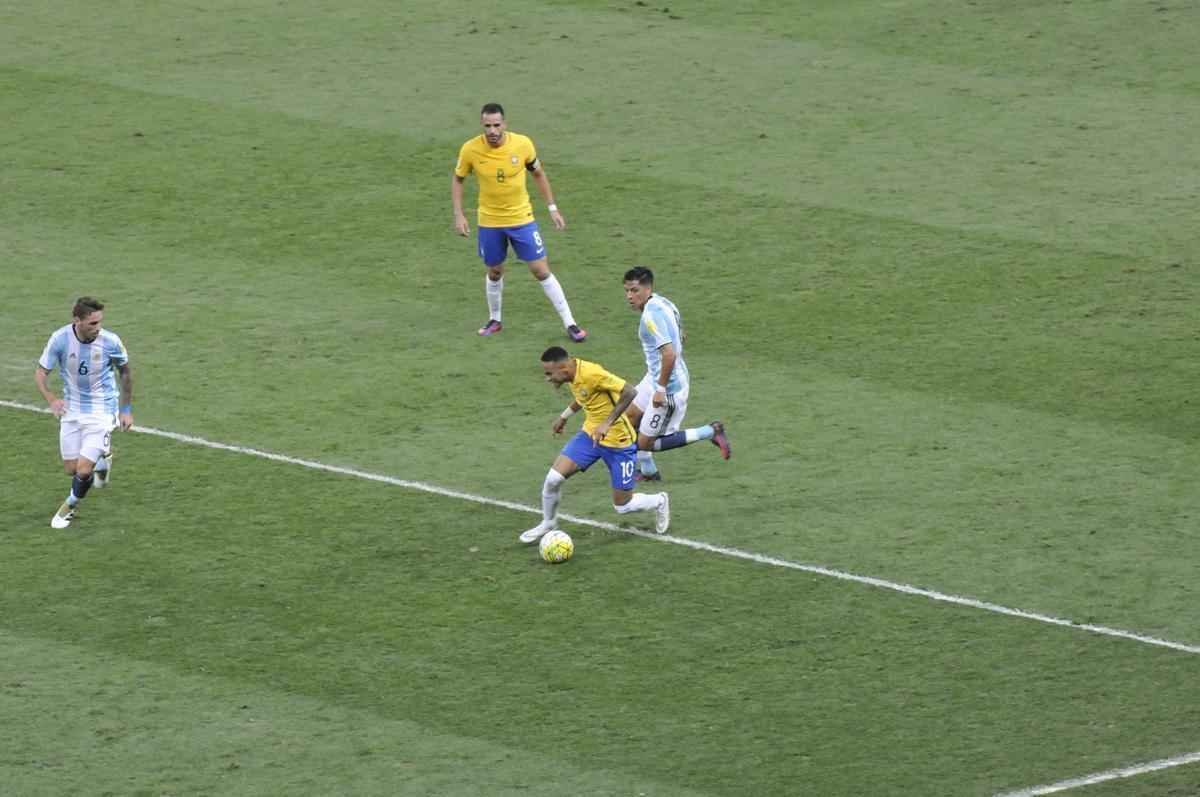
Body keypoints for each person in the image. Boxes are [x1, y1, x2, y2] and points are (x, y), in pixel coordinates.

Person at [452, 102, 587, 342]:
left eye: (496, 125)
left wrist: (552, 208)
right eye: (487, 126)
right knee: (494, 271)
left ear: (505, 124)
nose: (492, 131)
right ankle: (495, 319)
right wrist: (459, 214)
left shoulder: (523, 144)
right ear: (482, 125)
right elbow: (458, 179)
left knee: (540, 270)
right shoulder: (470, 149)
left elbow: (538, 173)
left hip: (521, 219)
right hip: (490, 222)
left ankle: (571, 323)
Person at [519, 346, 669, 544]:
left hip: (618, 442)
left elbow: (630, 391)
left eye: (549, 373)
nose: (547, 378)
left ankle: (659, 501)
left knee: (623, 506)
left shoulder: (592, 373)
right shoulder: (573, 374)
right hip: (590, 436)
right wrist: (564, 417)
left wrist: (607, 423)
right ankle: (549, 522)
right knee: (553, 479)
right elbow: (584, 395)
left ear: (563, 369)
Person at [622, 266, 730, 481]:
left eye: (634, 290)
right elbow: (682, 334)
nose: (629, 296)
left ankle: (711, 431)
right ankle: (649, 472)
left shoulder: (649, 317)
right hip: (655, 377)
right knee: (629, 417)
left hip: (669, 387)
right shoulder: (665, 302)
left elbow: (669, 354)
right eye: (627, 291)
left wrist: (661, 389)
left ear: (647, 288)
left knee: (645, 443)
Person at [34, 297, 133, 529]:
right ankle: (103, 458)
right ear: (77, 320)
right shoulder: (60, 339)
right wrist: (51, 399)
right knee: (71, 469)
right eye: (92, 324)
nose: (97, 328)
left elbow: (125, 373)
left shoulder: (111, 342)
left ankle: (70, 505)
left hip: (102, 411)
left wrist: (125, 410)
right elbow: (40, 373)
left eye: (99, 322)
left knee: (83, 469)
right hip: (72, 409)